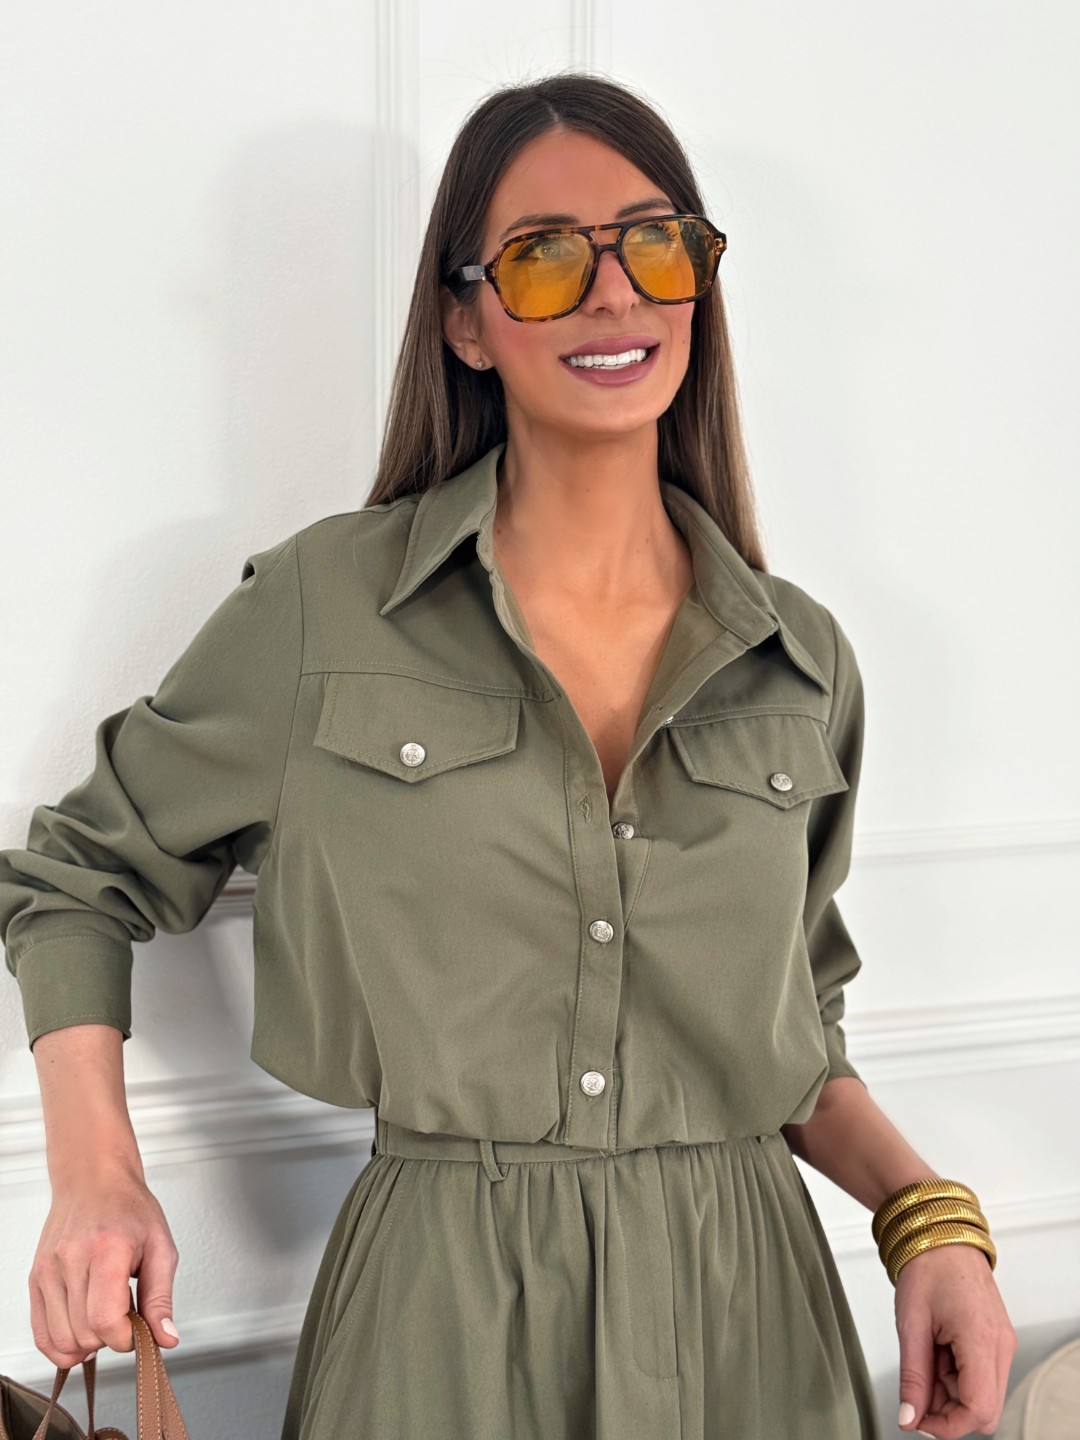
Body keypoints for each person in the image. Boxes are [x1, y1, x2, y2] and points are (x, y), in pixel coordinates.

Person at [0, 73, 1016, 1440]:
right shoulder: (324, 611)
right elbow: (75, 878)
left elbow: (795, 1033)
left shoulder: (800, 657)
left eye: (655, 245)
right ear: (466, 321)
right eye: (546, 258)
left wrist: (927, 1219)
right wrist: (96, 1173)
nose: (615, 294)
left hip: (753, 1320)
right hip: (441, 1324)